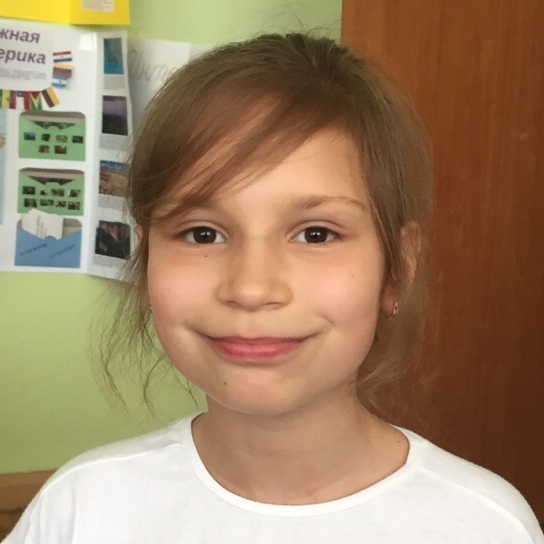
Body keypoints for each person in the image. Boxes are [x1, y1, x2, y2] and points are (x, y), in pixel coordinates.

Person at [5, 33, 543, 543]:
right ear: (146, 263)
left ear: (397, 268)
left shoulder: (484, 526)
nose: (251, 288)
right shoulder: (81, 509)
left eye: (316, 233)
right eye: (202, 233)